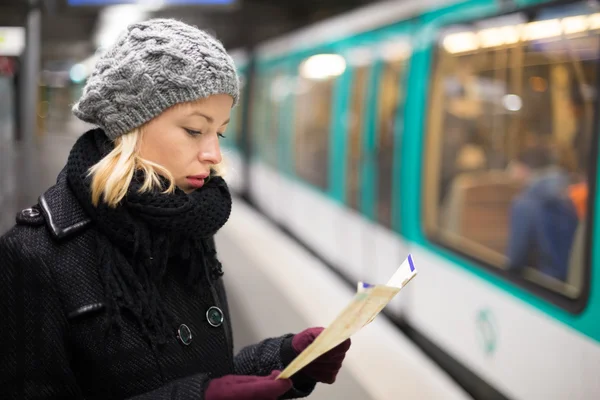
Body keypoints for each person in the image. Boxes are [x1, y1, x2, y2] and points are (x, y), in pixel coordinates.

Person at [0, 19, 351, 399]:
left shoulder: (187, 223)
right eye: (194, 130)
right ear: (131, 126)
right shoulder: (34, 255)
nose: (214, 154)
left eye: (219, 132)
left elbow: (203, 370)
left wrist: (284, 358)